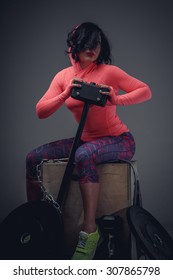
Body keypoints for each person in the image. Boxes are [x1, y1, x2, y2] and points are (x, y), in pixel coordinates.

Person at [26, 22, 152, 260]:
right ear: (74, 44)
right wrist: (65, 94)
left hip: (119, 140)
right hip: (86, 140)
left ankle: (90, 232)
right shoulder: (63, 77)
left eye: (97, 43)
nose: (93, 48)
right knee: (33, 158)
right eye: (87, 42)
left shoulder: (108, 71)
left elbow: (145, 90)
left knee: (84, 155)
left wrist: (116, 99)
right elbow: (41, 111)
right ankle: (36, 219)